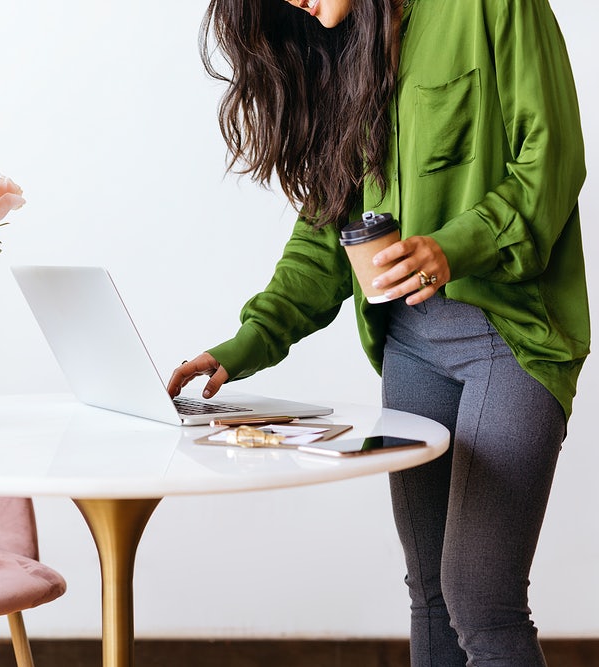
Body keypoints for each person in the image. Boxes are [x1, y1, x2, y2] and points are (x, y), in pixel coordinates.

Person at [167, 0, 589, 664]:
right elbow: (325, 238)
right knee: (430, 595)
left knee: (481, 596)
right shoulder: (346, 46)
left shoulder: (490, 6)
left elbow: (552, 161)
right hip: (411, 344)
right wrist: (244, 344)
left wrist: (454, 247)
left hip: (511, 339)